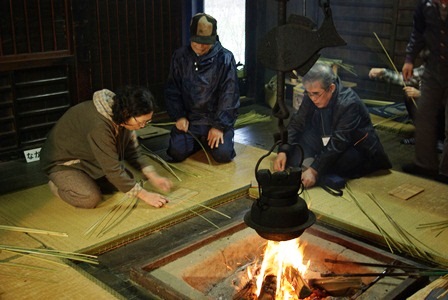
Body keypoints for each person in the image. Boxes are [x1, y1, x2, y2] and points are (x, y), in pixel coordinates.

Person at [40, 86, 173, 209]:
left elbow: (132, 152)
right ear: (127, 113)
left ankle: (86, 180)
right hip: (64, 162)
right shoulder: (99, 126)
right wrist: (146, 196)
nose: (142, 126)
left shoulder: (121, 116)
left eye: (147, 122)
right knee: (90, 198)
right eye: (141, 122)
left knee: (128, 180)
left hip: (90, 159)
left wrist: (153, 176)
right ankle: (56, 185)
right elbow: (112, 169)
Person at [274, 62, 391, 188]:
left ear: (331, 88)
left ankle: (317, 169)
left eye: (316, 94)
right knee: (295, 145)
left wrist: (314, 170)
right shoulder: (312, 94)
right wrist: (283, 151)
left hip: (354, 146)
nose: (312, 98)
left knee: (342, 162)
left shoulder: (349, 103)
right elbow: (297, 123)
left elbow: (339, 142)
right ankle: (315, 165)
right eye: (309, 93)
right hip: (326, 138)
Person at [165, 13, 240, 163]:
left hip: (215, 118)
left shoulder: (225, 58)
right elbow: (172, 90)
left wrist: (219, 126)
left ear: (213, 38)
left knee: (223, 155)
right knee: (176, 153)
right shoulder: (180, 56)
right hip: (190, 120)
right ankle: (200, 141)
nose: (200, 46)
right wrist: (179, 116)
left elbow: (229, 95)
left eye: (205, 42)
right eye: (196, 41)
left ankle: (212, 138)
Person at [401, 0, 448, 183]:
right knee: (424, 114)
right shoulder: (425, 5)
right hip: (433, 67)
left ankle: (446, 172)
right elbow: (418, 32)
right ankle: (424, 164)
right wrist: (409, 58)